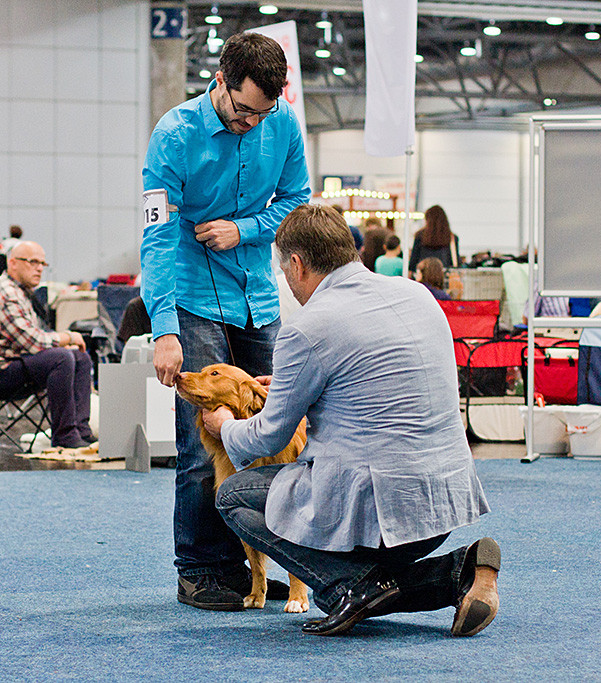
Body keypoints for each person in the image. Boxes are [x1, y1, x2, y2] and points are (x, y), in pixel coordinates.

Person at [202, 204, 497, 637]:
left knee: (232, 496)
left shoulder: (306, 328)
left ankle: (353, 587)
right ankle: (461, 571)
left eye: (284, 271)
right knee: (350, 551)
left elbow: (267, 438)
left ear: (297, 264)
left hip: (380, 517)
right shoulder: (419, 295)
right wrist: (290, 381)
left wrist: (225, 426)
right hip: (442, 508)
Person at [141, 31, 311, 610]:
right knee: (204, 441)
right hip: (189, 297)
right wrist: (164, 328)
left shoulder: (281, 123)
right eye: (243, 110)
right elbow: (158, 235)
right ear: (219, 80)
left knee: (283, 438)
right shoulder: (173, 135)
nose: (252, 123)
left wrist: (246, 229)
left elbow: (296, 200)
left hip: (258, 299)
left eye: (263, 113)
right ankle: (203, 569)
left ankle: (285, 561)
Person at [0, 241, 95, 450]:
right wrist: (69, 337)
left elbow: (33, 340)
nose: (40, 268)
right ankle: (65, 435)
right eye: (33, 262)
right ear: (13, 263)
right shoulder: (7, 293)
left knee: (80, 358)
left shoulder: (20, 291)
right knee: (62, 357)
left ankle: (81, 432)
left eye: (43, 263)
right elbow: (33, 342)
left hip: (11, 364)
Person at [408, 205, 460, 273]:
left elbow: (413, 260)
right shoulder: (451, 238)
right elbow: (455, 262)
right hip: (443, 276)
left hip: (423, 275)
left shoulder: (420, 236)